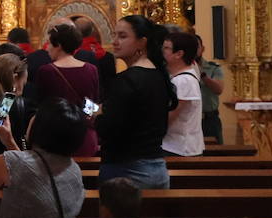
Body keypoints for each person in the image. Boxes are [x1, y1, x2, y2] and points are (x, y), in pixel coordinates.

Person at [0, 99, 87, 218]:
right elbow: (32, 168)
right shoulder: (74, 169)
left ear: (41, 129)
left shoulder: (11, 161)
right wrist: (9, 141)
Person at [95, 15, 176, 189]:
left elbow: (110, 129)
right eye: (114, 35)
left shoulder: (127, 79)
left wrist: (97, 116)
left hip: (126, 171)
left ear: (142, 42)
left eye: (123, 36)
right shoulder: (158, 75)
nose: (115, 42)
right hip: (156, 167)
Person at [32, 23, 100, 156]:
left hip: (57, 138)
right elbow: (93, 105)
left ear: (59, 45)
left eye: (50, 44)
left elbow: (42, 108)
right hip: (85, 136)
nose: (47, 49)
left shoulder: (46, 71)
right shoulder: (92, 69)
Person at [162, 30, 204, 157]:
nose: (162, 51)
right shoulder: (179, 78)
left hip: (179, 148)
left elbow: (169, 117)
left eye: (167, 48)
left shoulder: (184, 81)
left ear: (179, 54)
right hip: (175, 146)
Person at [73, 14, 118, 94]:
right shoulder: (108, 56)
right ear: (92, 31)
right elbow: (111, 86)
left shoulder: (72, 56)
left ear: (75, 32)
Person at [197, 35, 225, 144]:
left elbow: (218, 89)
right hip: (189, 120)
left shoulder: (213, 68)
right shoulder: (178, 69)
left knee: (215, 153)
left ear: (202, 49)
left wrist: (203, 75)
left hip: (209, 119)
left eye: (197, 47)